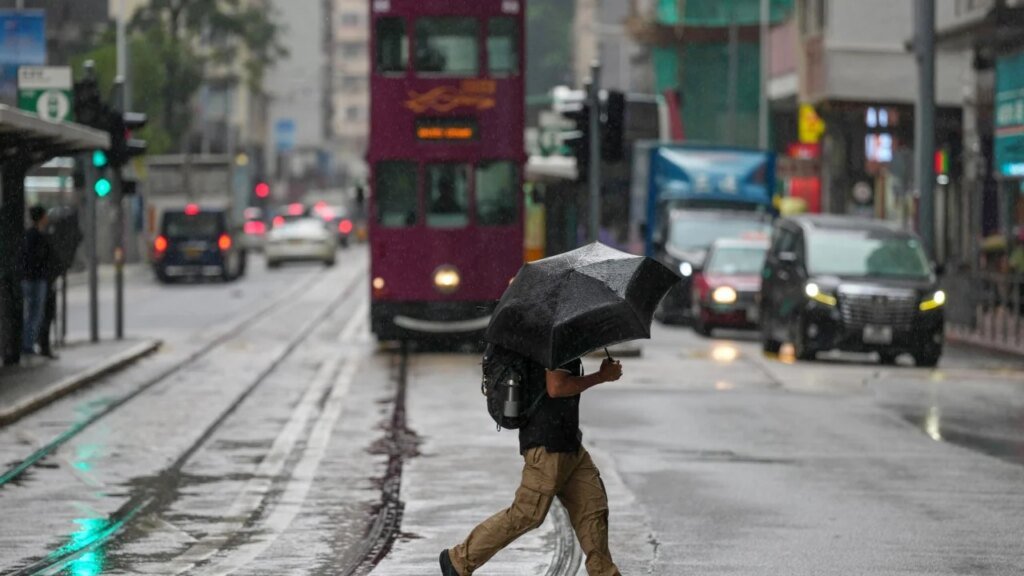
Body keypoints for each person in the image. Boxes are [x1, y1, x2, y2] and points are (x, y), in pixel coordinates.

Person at [440, 355, 624, 576]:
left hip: (569, 443)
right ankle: (459, 560)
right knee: (526, 513)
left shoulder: (558, 342)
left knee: (592, 508)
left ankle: (604, 573)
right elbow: (556, 387)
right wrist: (601, 376)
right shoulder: (555, 345)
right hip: (547, 445)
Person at [22, 205, 55, 357]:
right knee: (35, 313)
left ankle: (29, 343)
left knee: (31, 313)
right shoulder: (39, 236)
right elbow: (40, 258)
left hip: (29, 278)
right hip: (36, 279)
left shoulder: (29, 235)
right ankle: (28, 344)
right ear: (41, 217)